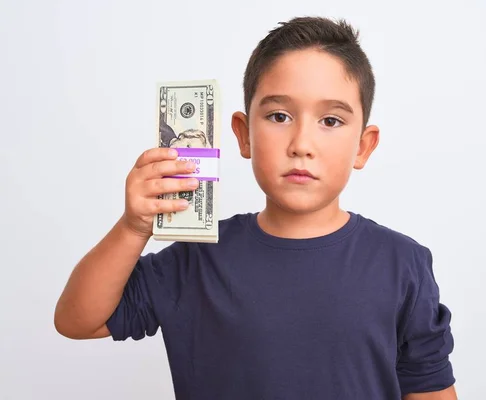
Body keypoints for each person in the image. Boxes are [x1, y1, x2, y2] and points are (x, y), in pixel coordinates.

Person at [54, 16, 458, 400]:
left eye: (330, 121)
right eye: (279, 116)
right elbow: (77, 320)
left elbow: (430, 388)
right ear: (244, 135)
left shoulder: (402, 264)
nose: (301, 143)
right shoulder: (197, 259)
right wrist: (132, 227)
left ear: (364, 146)